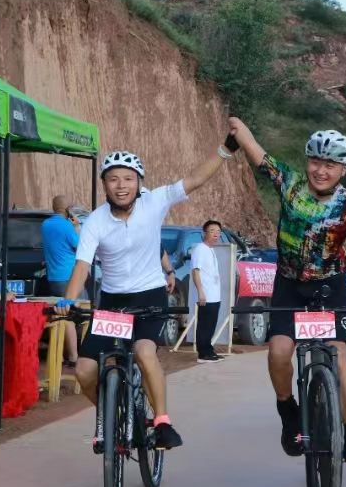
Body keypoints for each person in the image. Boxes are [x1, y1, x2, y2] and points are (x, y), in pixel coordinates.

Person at [229, 118, 346, 463]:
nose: (321, 170)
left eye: (330, 164)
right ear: (307, 161)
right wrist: (239, 127)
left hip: (329, 287)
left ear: (343, 169)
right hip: (289, 285)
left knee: (340, 356)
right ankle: (288, 409)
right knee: (277, 353)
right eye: (316, 162)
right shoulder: (290, 182)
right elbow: (259, 156)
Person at [56, 144, 233, 452]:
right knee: (85, 371)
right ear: (104, 185)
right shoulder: (94, 221)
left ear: (139, 182)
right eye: (113, 179)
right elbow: (82, 266)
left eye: (127, 178)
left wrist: (225, 149)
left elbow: (194, 179)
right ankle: (109, 413)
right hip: (113, 303)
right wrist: (69, 301)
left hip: (150, 297)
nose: (121, 185)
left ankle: (162, 422)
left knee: (143, 351)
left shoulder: (155, 202)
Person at [42, 195, 83, 366]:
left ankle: (59, 355)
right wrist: (77, 227)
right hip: (69, 276)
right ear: (67, 209)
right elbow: (80, 246)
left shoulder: (45, 225)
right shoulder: (67, 226)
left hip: (53, 276)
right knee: (70, 316)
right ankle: (73, 356)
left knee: (60, 315)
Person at [190, 220, 224, 363]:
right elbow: (195, 271)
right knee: (204, 325)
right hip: (206, 295)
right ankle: (203, 354)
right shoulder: (200, 249)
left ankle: (209, 350)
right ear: (205, 233)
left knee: (210, 325)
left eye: (218, 231)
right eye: (212, 231)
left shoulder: (210, 250)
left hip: (215, 295)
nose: (216, 234)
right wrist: (201, 292)